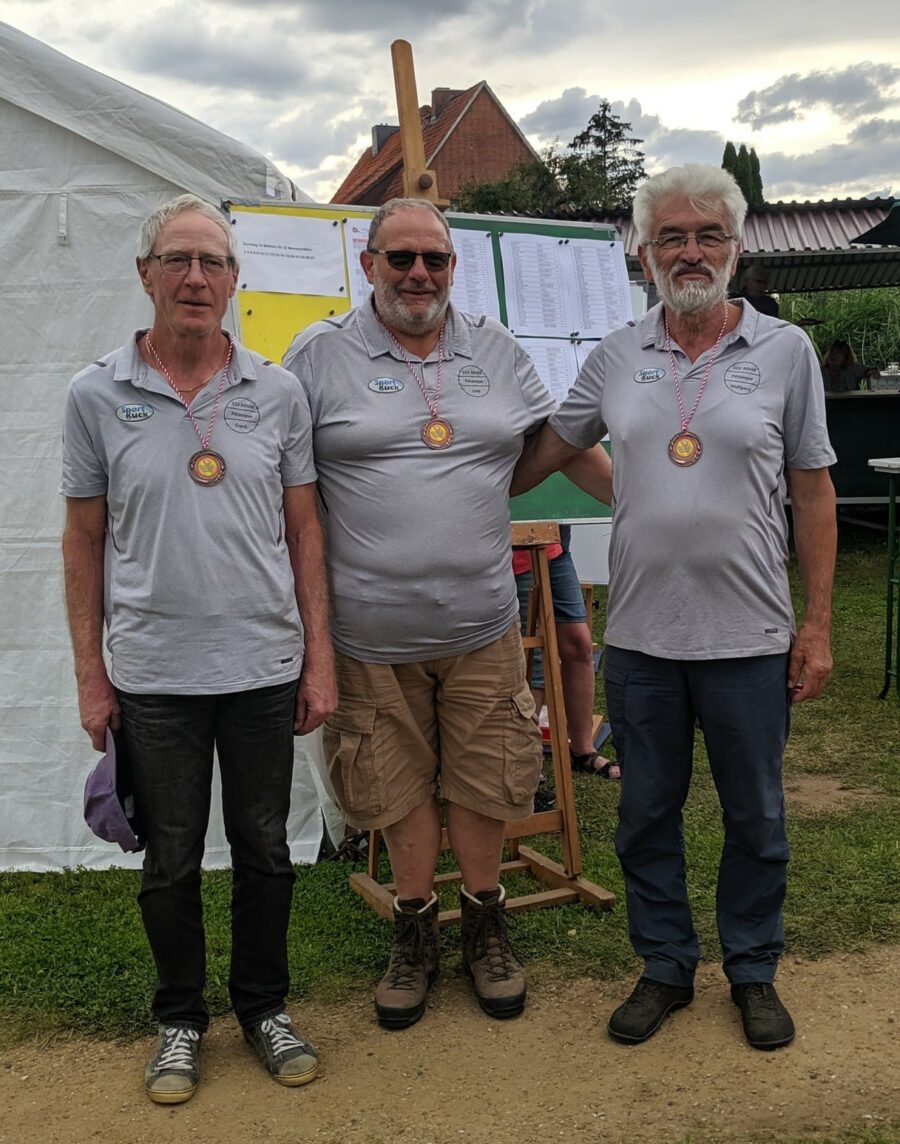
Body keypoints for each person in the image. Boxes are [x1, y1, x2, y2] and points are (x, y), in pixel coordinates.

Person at [512, 164, 836, 1051]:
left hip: (751, 637)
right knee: (645, 815)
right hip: (643, 643)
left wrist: (815, 626)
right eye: (671, 237)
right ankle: (664, 966)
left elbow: (814, 492)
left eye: (707, 235)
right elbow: (554, 446)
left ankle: (753, 970)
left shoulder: (785, 352)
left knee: (755, 818)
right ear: (645, 251)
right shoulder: (616, 355)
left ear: (735, 245)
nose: (690, 252)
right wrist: (460, 477)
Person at [283, 197, 603, 1030]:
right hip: (368, 636)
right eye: (401, 258)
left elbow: (554, 440)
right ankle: (416, 930)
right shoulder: (317, 355)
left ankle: (486, 923)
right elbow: (283, 483)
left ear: (454, 267)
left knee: (486, 776)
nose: (419, 274)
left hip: (482, 626)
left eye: (435, 259)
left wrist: (645, 498)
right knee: (392, 788)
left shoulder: (496, 349)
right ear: (369, 264)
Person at [61, 195, 336, 1104]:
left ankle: (264, 1007)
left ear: (233, 280)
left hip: (263, 666)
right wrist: (92, 677)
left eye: (212, 263)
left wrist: (320, 659)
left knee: (265, 848)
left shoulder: (277, 392)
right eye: (177, 260)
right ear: (145, 274)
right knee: (171, 856)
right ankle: (180, 1019)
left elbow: (305, 532)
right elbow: (82, 540)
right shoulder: (96, 394)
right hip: (154, 673)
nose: (194, 278)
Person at [513, 526, 620, 799]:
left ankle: (582, 750)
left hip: (553, 546)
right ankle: (528, 768)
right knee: (533, 662)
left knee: (579, 644)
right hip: (518, 551)